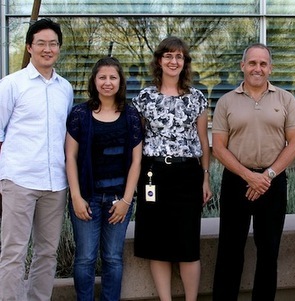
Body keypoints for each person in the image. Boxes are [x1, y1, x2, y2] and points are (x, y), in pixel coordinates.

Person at [212, 43, 295, 301]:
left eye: (263, 64)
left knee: (269, 250)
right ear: (243, 66)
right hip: (236, 181)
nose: (257, 68)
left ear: (270, 68)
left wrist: (268, 175)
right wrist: (248, 176)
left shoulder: (286, 99)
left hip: (273, 182)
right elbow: (218, 147)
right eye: (252, 63)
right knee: (230, 249)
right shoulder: (226, 101)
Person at [132, 36, 212, 301]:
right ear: (159, 60)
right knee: (158, 244)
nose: (173, 61)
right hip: (153, 175)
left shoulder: (197, 98)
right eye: (168, 56)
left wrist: (205, 178)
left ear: (184, 62)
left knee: (187, 244)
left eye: (179, 57)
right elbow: (138, 140)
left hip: (187, 175)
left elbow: (203, 142)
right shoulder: (144, 97)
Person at [0, 18, 74, 300]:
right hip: (19, 180)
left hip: (55, 182)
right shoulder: (11, 85)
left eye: (52, 44)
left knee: (47, 253)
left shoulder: (64, 89)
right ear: (29, 47)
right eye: (41, 43)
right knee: (13, 253)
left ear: (58, 49)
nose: (47, 49)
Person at [65, 56, 143, 300]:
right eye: (102, 77)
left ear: (120, 81)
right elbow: (70, 157)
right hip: (87, 198)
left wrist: (126, 201)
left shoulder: (130, 116)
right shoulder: (80, 114)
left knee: (112, 258)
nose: (107, 82)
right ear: (94, 81)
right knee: (85, 258)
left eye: (112, 77)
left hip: (119, 200)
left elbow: (136, 161)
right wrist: (76, 197)